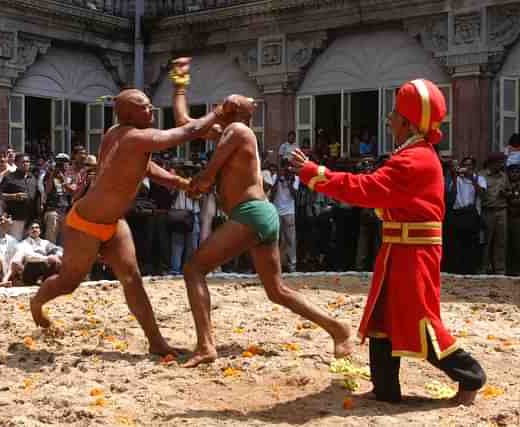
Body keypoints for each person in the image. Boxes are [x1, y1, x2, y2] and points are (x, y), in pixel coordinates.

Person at [291, 78, 486, 405]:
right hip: (399, 249)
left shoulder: (413, 159)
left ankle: (471, 376)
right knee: (382, 319)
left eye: (394, 113)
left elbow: (364, 189)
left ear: (408, 121)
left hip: (413, 254)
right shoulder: (413, 154)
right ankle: (385, 390)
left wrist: (315, 172)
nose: (389, 118)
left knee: (421, 321)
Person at [170, 57, 352, 367]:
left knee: (193, 269)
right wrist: (180, 84)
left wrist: (195, 182)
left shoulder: (238, 131)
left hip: (251, 213)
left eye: (227, 104)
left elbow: (209, 174)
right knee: (277, 291)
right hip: (259, 213)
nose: (221, 105)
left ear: (236, 111)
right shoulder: (230, 132)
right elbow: (186, 124)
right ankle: (338, 329)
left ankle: (205, 346)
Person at [29, 87, 232, 357]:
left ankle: (155, 341)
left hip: (114, 224)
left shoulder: (119, 134)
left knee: (132, 279)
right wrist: (219, 111)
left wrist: (180, 183)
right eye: (144, 106)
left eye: (150, 104)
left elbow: (145, 167)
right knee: (68, 282)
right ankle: (36, 303)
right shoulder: (133, 137)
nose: (151, 109)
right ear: (128, 114)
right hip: (85, 223)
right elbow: (184, 133)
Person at [448, 156, 487, 274]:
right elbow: (452, 195)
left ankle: (471, 270)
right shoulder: (457, 179)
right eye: (465, 165)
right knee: (457, 243)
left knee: (472, 243)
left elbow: (482, 194)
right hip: (458, 214)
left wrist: (472, 179)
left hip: (472, 214)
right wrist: (454, 177)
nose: (467, 167)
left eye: (470, 165)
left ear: (474, 167)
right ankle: (458, 270)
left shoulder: (479, 178)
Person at [480, 153, 510, 275]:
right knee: (486, 241)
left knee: (501, 241)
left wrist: (506, 194)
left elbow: (508, 192)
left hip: (502, 211)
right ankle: (484, 268)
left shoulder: (504, 176)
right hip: (488, 211)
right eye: (500, 162)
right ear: (493, 163)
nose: (502, 164)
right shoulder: (482, 175)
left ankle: (500, 270)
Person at [0, 154, 38, 240]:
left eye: (27, 161)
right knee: (15, 246)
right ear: (16, 163)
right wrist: (14, 196)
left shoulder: (33, 178)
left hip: (31, 220)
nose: (26, 164)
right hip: (16, 219)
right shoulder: (10, 177)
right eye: (23, 162)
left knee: (28, 248)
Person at [11, 220, 63, 285]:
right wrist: (46, 258)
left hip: (44, 270)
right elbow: (29, 256)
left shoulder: (45, 242)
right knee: (37, 260)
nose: (34, 229)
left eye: (37, 227)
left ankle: (43, 279)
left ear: (40, 231)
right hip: (29, 271)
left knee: (56, 259)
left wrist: (56, 256)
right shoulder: (23, 244)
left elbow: (58, 250)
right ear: (28, 231)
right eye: (32, 228)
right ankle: (40, 279)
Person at [270, 163, 299, 272]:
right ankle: (275, 265)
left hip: (289, 213)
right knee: (275, 239)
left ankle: (292, 265)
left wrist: (290, 182)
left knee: (290, 240)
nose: (285, 170)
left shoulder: (295, 178)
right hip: (276, 212)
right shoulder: (275, 177)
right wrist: (277, 180)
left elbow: (295, 196)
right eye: (283, 168)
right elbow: (271, 196)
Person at [43, 153, 72, 243]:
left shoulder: (70, 176)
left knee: (64, 241)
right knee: (51, 240)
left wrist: (63, 180)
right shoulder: (49, 175)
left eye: (65, 163)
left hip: (65, 211)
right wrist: (52, 174)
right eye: (59, 163)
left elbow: (73, 192)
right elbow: (47, 191)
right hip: (53, 210)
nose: (62, 166)